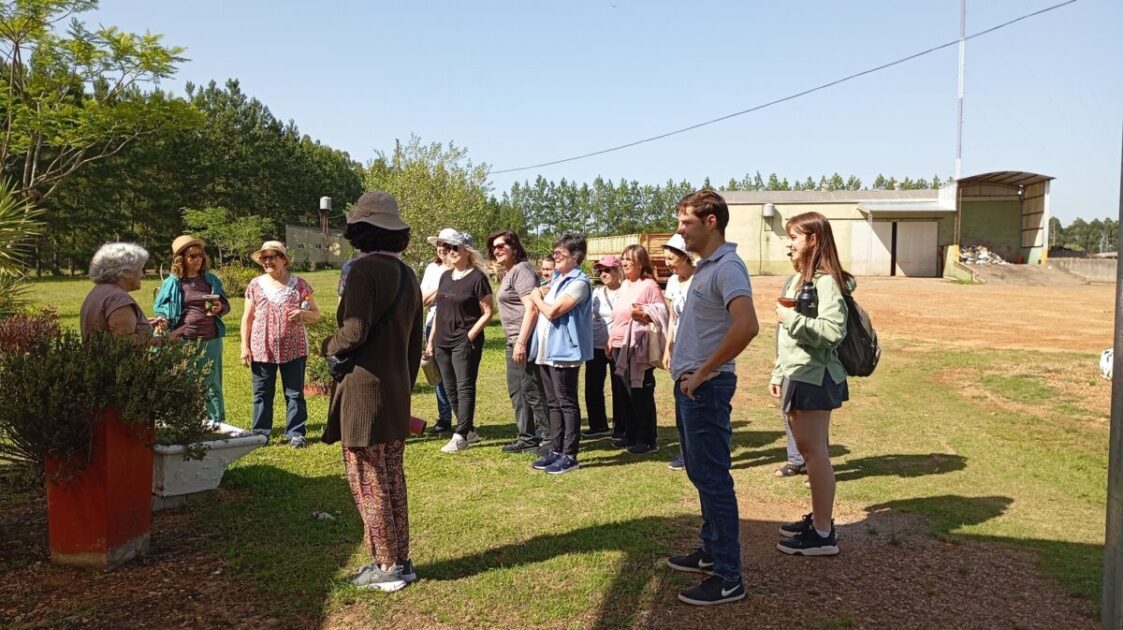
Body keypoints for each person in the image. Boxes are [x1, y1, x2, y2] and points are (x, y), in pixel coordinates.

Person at [322, 190, 423, 592]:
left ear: (361, 229)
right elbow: (414, 341)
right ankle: (401, 560)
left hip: (364, 392)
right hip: (396, 388)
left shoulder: (363, 272)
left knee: (369, 481)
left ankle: (386, 566)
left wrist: (328, 346)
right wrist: (404, 383)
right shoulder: (407, 274)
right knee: (392, 479)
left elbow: (355, 330)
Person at [665, 190, 759, 606]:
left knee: (714, 479)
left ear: (711, 221)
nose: (680, 231)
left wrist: (704, 372)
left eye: (686, 223)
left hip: (706, 388)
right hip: (692, 386)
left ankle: (727, 576)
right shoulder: (706, 267)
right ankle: (710, 551)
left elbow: (747, 325)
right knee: (701, 474)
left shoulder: (728, 267)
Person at [770, 211, 851, 557]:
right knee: (809, 452)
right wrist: (779, 372)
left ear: (813, 240)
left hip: (814, 377)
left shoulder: (826, 282)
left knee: (815, 454)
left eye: (794, 237)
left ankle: (822, 534)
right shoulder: (798, 280)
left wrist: (791, 319)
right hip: (798, 375)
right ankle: (819, 520)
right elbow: (786, 339)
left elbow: (833, 331)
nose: (789, 244)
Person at [240, 240, 321, 448]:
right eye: (264, 258)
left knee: (294, 393)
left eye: (272, 257)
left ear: (283, 260)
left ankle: (296, 433)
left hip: (294, 348)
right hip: (261, 347)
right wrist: (244, 346)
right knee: (262, 393)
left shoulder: (299, 285)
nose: (267, 261)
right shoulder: (255, 285)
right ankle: (261, 433)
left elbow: (316, 315)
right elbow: (247, 318)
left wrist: (302, 313)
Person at [524, 233, 593, 475]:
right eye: (554, 253)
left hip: (565, 351)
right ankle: (555, 450)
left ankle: (570, 455)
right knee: (553, 403)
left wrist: (535, 296)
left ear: (576, 256)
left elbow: (553, 311)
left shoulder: (579, 283)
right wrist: (539, 293)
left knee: (566, 402)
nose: (556, 256)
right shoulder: (557, 279)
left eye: (561, 253)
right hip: (547, 349)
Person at [425, 229, 494, 453]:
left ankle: (461, 434)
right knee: (449, 387)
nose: (450, 251)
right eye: (448, 248)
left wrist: (470, 336)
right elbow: (439, 312)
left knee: (464, 386)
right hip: (442, 341)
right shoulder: (445, 277)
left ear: (467, 251)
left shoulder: (477, 278)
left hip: (464, 341)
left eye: (455, 248)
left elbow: (488, 312)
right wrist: (431, 342)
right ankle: (469, 430)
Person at [153, 235, 231, 428]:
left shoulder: (210, 280)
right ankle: (184, 423)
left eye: (200, 256)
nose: (198, 260)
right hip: (183, 340)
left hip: (211, 339)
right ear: (181, 259)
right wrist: (162, 320)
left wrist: (219, 307)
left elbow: (226, 305)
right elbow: (160, 308)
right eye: (192, 256)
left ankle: (216, 423)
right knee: (183, 382)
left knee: (212, 383)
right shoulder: (173, 283)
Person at [487, 229, 551, 454]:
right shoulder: (510, 272)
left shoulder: (522, 270)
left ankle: (549, 439)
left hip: (524, 339)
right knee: (518, 390)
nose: (496, 250)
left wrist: (522, 342)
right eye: (493, 247)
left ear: (514, 247)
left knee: (532, 389)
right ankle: (527, 437)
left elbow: (531, 308)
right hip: (513, 339)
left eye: (501, 246)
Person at [606, 244, 666, 455]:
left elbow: (662, 313)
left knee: (640, 393)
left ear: (641, 263)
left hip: (637, 348)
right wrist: (611, 338)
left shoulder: (649, 285)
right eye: (623, 259)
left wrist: (643, 313)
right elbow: (617, 315)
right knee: (624, 393)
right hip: (618, 345)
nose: (624, 263)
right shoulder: (624, 285)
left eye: (629, 260)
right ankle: (630, 434)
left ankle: (648, 439)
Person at [81, 242, 175, 344]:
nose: (142, 275)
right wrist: (166, 339)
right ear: (126, 271)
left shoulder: (99, 291)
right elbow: (125, 343)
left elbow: (111, 330)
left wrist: (143, 325)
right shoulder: (118, 299)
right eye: (140, 269)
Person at [661, 233, 695, 471]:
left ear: (685, 257)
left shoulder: (700, 279)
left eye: (671, 258)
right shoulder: (673, 282)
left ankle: (697, 452)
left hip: (698, 349)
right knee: (680, 400)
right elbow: (672, 318)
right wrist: (668, 348)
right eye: (666, 258)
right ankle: (685, 452)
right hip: (680, 348)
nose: (668, 263)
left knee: (695, 400)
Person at [583, 255, 625, 439]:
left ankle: (621, 427)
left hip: (617, 346)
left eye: (607, 270)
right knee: (593, 387)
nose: (603, 274)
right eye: (600, 270)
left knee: (619, 387)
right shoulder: (597, 292)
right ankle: (598, 425)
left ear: (618, 270)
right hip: (595, 345)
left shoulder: (625, 292)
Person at [420, 230, 455, 433]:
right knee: (436, 372)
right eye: (440, 245)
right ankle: (444, 417)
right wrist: (445, 287)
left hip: (454, 324)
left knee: (456, 372)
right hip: (432, 323)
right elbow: (424, 300)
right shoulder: (432, 268)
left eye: (446, 245)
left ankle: (463, 418)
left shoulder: (462, 269)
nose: (442, 249)